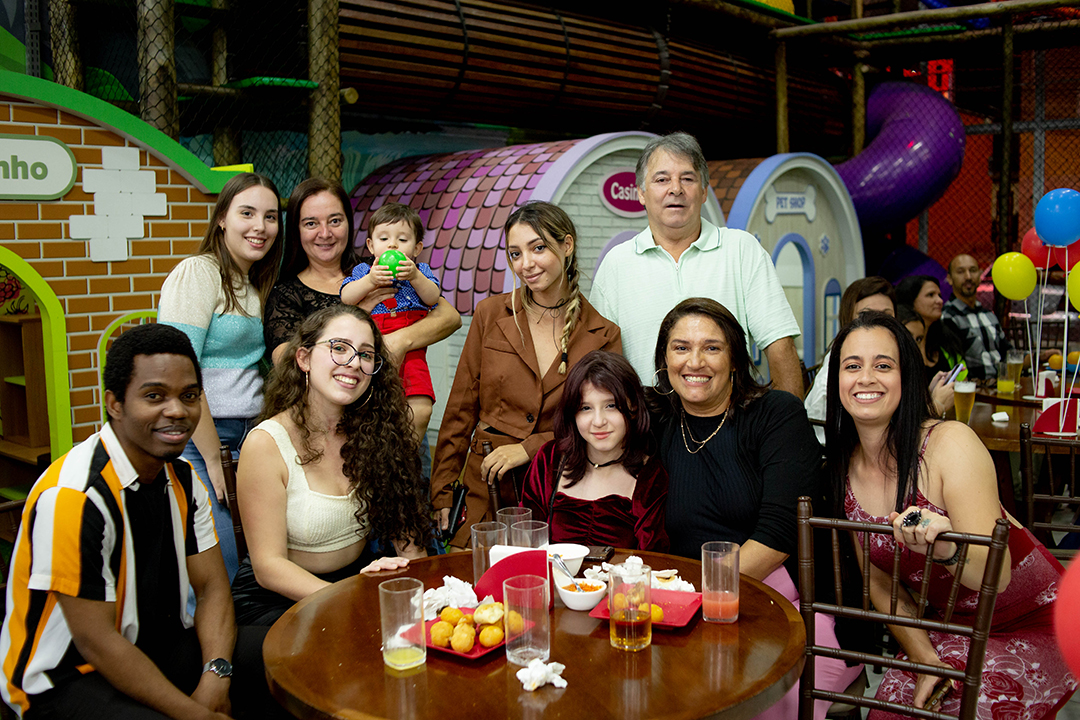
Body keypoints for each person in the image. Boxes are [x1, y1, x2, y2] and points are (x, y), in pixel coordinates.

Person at [0, 324, 285, 719]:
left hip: (156, 647)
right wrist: (196, 715)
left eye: (189, 396)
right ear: (114, 404)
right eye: (154, 396)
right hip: (65, 678)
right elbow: (97, 642)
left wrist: (215, 676)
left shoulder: (182, 477)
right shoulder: (75, 496)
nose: (177, 410)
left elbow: (211, 589)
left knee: (281, 656)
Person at [826, 311, 1076, 718]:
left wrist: (947, 551)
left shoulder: (949, 444)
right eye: (852, 366)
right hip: (952, 625)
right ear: (836, 379)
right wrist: (925, 660)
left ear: (907, 377)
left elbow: (995, 575)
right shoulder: (842, 468)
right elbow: (879, 584)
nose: (866, 378)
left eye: (883, 366)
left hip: (1038, 620)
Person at [650, 297, 862, 720]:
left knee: (751, 694)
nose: (695, 361)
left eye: (712, 347)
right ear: (663, 361)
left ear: (735, 360)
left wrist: (696, 598)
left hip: (786, 601)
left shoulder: (775, 415)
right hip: (681, 603)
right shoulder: (656, 418)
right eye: (681, 348)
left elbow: (779, 534)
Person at [431, 201, 622, 548]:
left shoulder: (603, 334)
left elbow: (606, 425)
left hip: (558, 490)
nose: (526, 264)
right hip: (485, 486)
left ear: (567, 245)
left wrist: (530, 448)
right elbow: (460, 409)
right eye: (515, 254)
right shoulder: (491, 314)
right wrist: (442, 492)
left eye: (538, 248)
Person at [231, 304, 432, 626]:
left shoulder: (377, 434)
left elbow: (408, 541)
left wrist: (429, 602)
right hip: (278, 601)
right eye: (339, 348)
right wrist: (352, 598)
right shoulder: (266, 443)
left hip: (355, 580)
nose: (354, 362)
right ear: (304, 359)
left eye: (366, 355)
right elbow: (268, 568)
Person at [590, 131, 803, 398]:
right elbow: (599, 362)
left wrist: (789, 420)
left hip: (731, 417)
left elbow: (780, 345)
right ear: (641, 193)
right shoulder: (616, 264)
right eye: (662, 179)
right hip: (646, 418)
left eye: (687, 179)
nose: (675, 189)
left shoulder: (741, 250)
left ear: (703, 192)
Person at [158, 171, 284, 582]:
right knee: (219, 564)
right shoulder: (198, 272)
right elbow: (178, 373)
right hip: (203, 438)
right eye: (247, 213)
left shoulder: (253, 283)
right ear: (221, 219)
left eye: (270, 216)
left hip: (252, 434)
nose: (260, 226)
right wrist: (213, 457)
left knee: (253, 561)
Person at [263, 178, 461, 367]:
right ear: (296, 230)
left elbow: (449, 316)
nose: (325, 233)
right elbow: (287, 363)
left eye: (335, 221)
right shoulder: (285, 295)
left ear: (349, 224)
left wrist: (398, 341)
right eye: (311, 224)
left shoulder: (375, 268)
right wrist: (358, 314)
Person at [520, 350, 669, 551]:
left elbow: (654, 558)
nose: (598, 421)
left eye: (611, 406)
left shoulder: (650, 476)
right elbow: (526, 540)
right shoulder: (550, 459)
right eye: (585, 408)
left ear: (633, 407)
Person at [341, 202, 442, 441]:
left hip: (412, 351)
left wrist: (415, 276)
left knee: (421, 407)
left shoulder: (421, 271)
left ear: (417, 248)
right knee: (374, 405)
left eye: (402, 239)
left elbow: (433, 297)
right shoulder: (364, 271)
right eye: (384, 238)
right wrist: (370, 281)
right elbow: (346, 297)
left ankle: (408, 449)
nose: (393, 245)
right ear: (371, 245)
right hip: (374, 347)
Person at [804, 276, 896, 442]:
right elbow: (819, 422)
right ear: (848, 318)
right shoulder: (838, 360)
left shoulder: (898, 352)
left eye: (886, 315)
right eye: (866, 315)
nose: (878, 323)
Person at [942, 253, 1010, 380]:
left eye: (973, 270)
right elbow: (955, 367)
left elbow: (1008, 354)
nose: (968, 277)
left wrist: (1039, 357)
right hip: (972, 389)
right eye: (960, 272)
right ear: (950, 278)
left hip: (1000, 385)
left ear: (980, 275)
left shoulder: (989, 315)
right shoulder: (947, 318)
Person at [896, 275, 966, 386]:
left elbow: (963, 382)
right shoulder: (897, 338)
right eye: (930, 295)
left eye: (939, 295)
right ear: (910, 299)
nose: (940, 301)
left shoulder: (947, 339)